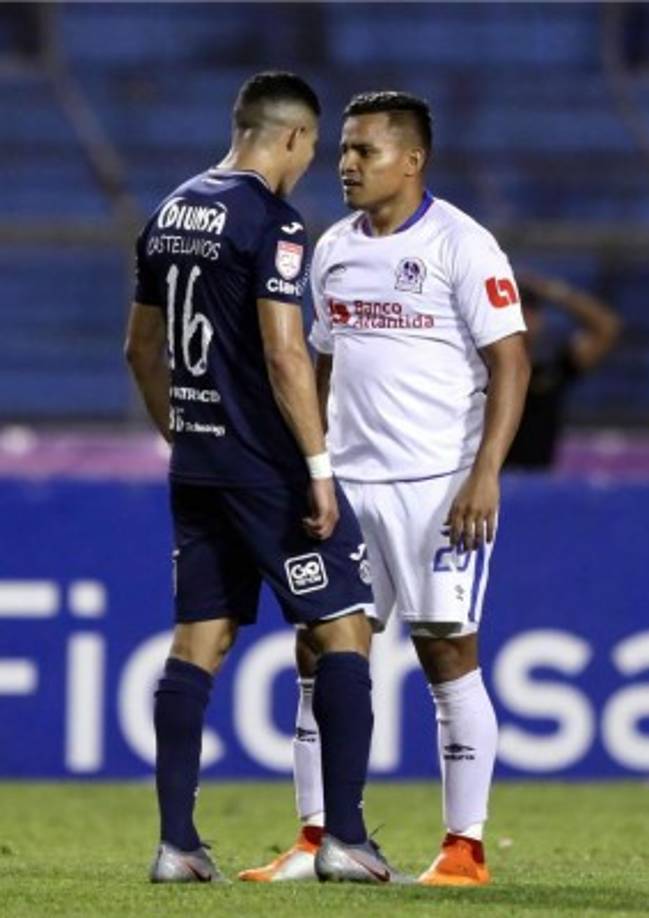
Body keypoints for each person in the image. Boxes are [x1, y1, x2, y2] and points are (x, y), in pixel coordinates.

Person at [239, 91, 530, 887]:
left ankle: (463, 851)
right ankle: (317, 838)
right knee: (320, 654)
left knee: (446, 655)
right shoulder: (332, 248)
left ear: (412, 159)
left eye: (364, 151)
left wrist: (483, 475)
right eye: (341, 151)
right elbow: (321, 366)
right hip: (349, 491)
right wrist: (314, 462)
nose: (345, 165)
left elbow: (512, 364)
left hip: (440, 490)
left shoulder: (461, 245)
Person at [124, 72, 404, 885]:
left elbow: (139, 352)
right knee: (343, 626)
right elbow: (287, 353)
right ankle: (344, 838)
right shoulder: (271, 221)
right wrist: (316, 470)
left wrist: (185, 436)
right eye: (315, 148)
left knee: (198, 642)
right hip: (266, 468)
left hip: (199, 466)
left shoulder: (167, 212)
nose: (313, 163)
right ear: (289, 138)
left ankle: (177, 845)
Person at [506, 272, 622, 469]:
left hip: (538, 481)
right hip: (488, 480)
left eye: (530, 310)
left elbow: (607, 326)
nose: (524, 318)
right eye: (517, 309)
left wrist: (553, 292)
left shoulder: (553, 366)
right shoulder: (480, 365)